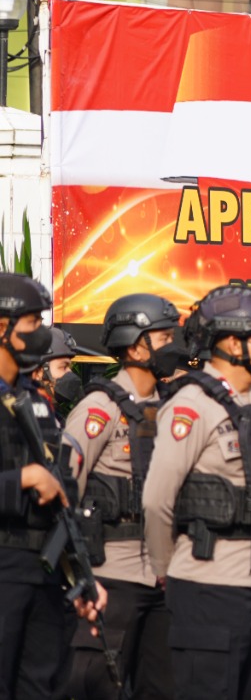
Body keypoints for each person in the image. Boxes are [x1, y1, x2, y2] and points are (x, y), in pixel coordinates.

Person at [142, 285, 251, 700]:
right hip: (208, 584)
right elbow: (157, 500)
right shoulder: (193, 403)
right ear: (233, 342)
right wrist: (170, 572)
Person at [64, 293, 180, 700]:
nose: (174, 347)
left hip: (163, 577)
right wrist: (79, 574)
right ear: (135, 345)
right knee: (99, 686)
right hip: (111, 573)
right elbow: (65, 489)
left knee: (162, 689)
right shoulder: (99, 408)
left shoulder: (170, 408)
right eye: (163, 338)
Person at [0, 273, 75, 698]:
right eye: (31, 322)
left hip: (43, 568)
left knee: (42, 685)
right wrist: (21, 479)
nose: (40, 332)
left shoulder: (36, 402)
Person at [32, 328, 82, 418]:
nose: (70, 372)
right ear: (39, 371)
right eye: (63, 367)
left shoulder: (50, 414)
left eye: (70, 367)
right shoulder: (24, 416)